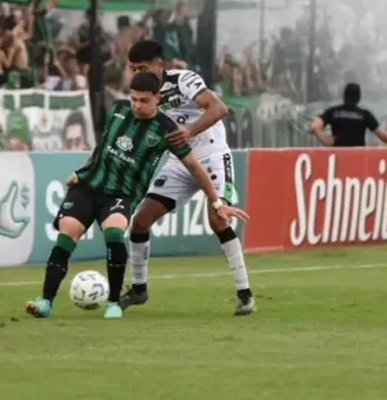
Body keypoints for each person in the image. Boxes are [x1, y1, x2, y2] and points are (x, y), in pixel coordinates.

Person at [24, 72, 248, 320]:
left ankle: (113, 303)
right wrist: (82, 172)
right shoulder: (117, 110)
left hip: (120, 194)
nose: (137, 105)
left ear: (157, 99)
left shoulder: (166, 129)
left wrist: (216, 201)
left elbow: (194, 166)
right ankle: (45, 301)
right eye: (134, 99)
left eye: (143, 100)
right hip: (89, 185)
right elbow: (103, 148)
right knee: (67, 233)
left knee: (114, 233)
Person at [122, 40, 257, 316]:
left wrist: (190, 131)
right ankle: (139, 289)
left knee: (217, 219)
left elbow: (219, 109)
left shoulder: (183, 80)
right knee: (140, 221)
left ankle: (245, 294)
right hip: (178, 163)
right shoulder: (142, 96)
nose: (137, 73)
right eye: (133, 68)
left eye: (142, 67)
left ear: (160, 65)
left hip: (212, 156)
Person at [310, 83, 387, 149]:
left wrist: (328, 143)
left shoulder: (333, 112)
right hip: (357, 157)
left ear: (344, 96)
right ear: (358, 97)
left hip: (337, 157)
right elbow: (382, 135)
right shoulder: (364, 114)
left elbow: (315, 127)